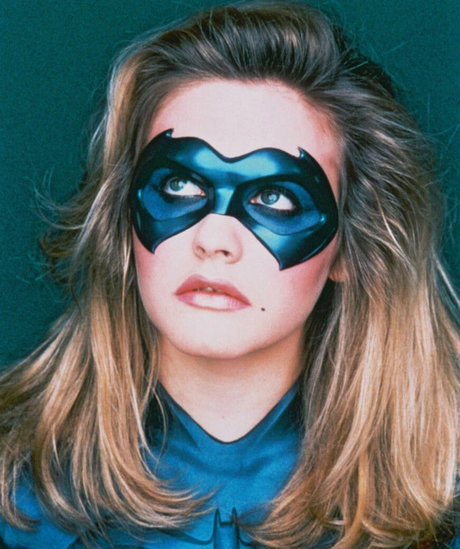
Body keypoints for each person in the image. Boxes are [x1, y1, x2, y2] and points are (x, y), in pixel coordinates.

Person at [0, 2, 458, 548]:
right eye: (179, 186)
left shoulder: (444, 499)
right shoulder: (13, 489)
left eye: (275, 198)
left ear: (349, 249)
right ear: (122, 216)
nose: (213, 238)